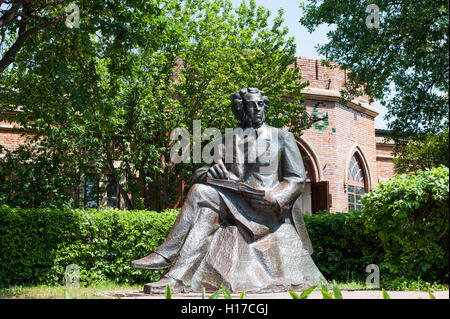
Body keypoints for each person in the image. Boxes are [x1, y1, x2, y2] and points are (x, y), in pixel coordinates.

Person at [131, 87, 325, 293]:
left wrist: (275, 197)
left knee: (205, 208)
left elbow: (296, 179)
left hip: (265, 209)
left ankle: (168, 260)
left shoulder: (283, 138)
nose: (258, 109)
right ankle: (174, 277)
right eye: (251, 105)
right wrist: (210, 173)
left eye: (260, 104)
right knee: (200, 194)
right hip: (234, 201)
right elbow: (198, 173)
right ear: (241, 110)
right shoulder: (224, 140)